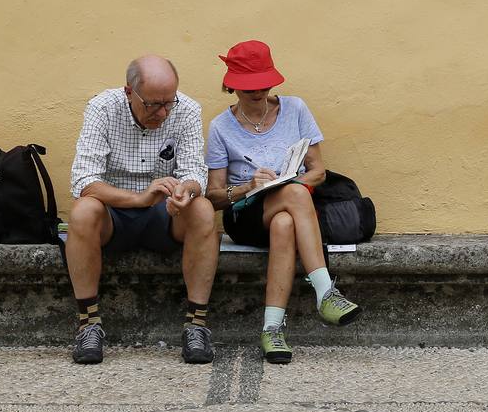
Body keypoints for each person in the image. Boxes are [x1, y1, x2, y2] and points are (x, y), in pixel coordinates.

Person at [205, 40, 361, 364]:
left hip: (291, 208)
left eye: (264, 84)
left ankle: (272, 328)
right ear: (231, 84)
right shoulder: (221, 127)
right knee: (293, 197)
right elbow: (214, 196)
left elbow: (317, 171)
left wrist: (287, 183)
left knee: (285, 221)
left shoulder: (296, 109)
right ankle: (325, 292)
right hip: (245, 215)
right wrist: (250, 184)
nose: (258, 91)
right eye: (250, 86)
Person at [65, 54, 220, 365]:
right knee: (82, 211)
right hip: (114, 214)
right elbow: (84, 179)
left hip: (166, 214)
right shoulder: (103, 108)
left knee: (202, 209)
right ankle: (88, 324)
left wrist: (185, 192)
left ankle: (197, 325)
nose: (162, 112)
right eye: (152, 105)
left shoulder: (187, 109)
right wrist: (138, 199)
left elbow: (195, 173)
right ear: (129, 92)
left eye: (168, 103)